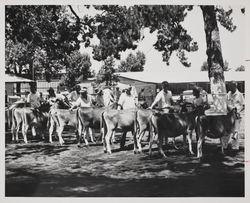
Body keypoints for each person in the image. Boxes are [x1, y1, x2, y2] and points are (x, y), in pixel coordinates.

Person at [227, 81, 244, 148]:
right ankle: (225, 146)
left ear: (235, 86)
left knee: (235, 131)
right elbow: (226, 103)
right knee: (227, 130)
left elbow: (243, 105)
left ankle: (235, 147)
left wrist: (237, 110)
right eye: (229, 86)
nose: (229, 87)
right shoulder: (228, 94)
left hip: (237, 115)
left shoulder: (239, 94)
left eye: (231, 86)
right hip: (228, 115)